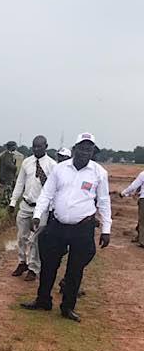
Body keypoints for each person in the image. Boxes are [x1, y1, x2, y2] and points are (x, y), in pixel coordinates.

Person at [20, 133, 111, 322]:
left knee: (75, 269)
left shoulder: (99, 173)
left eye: (89, 149)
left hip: (82, 228)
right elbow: (46, 194)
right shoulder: (60, 169)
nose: (85, 152)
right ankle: (43, 300)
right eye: (82, 148)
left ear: (93, 152)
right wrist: (37, 215)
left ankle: (67, 307)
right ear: (75, 149)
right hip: (58, 225)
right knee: (48, 264)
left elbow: (103, 201)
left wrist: (106, 229)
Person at [8, 135, 56, 281]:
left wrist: (52, 209)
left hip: (41, 209)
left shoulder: (52, 165)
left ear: (45, 146)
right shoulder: (27, 162)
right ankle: (22, 262)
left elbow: (54, 190)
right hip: (25, 205)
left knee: (35, 240)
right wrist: (13, 202)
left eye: (39, 146)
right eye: (34, 146)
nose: (36, 149)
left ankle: (33, 268)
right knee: (21, 237)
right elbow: (20, 183)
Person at [120, 167, 144, 246]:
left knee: (142, 220)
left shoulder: (143, 174)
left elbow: (134, 186)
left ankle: (142, 241)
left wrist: (123, 193)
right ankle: (139, 236)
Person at [0, 141, 18, 207]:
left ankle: (7, 202)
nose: (16, 147)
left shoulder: (3, 155)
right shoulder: (8, 155)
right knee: (8, 190)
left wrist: (0, 174)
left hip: (4, 176)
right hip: (8, 176)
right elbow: (9, 164)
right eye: (15, 146)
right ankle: (5, 203)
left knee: (7, 190)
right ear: (11, 147)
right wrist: (15, 168)